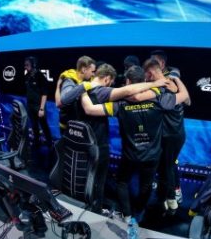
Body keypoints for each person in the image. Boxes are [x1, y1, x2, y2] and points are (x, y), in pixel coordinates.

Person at [81, 65, 190, 222]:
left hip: (130, 155)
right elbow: (185, 96)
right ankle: (138, 212)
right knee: (146, 186)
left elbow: (89, 109)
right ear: (144, 80)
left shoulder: (120, 104)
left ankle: (126, 215)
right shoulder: (160, 100)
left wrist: (83, 90)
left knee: (122, 182)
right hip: (152, 156)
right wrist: (176, 79)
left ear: (127, 81)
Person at [143, 58, 187, 214]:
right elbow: (187, 100)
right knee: (167, 166)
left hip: (169, 136)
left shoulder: (160, 90)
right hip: (178, 133)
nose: (145, 78)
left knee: (165, 168)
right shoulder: (173, 84)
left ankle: (168, 201)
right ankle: (168, 199)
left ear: (150, 73)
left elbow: (137, 97)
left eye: (146, 75)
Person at [54, 56, 96, 134]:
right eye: (92, 71)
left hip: (80, 124)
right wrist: (82, 87)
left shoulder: (87, 80)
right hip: (68, 127)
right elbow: (63, 100)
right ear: (84, 70)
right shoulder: (69, 80)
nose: (93, 74)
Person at [24, 56, 52, 147]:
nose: (25, 67)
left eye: (27, 65)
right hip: (30, 106)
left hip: (39, 106)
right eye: (25, 65)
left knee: (44, 125)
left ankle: (50, 144)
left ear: (33, 65)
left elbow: (44, 94)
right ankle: (37, 142)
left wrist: (41, 109)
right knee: (34, 126)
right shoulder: (27, 76)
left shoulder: (40, 76)